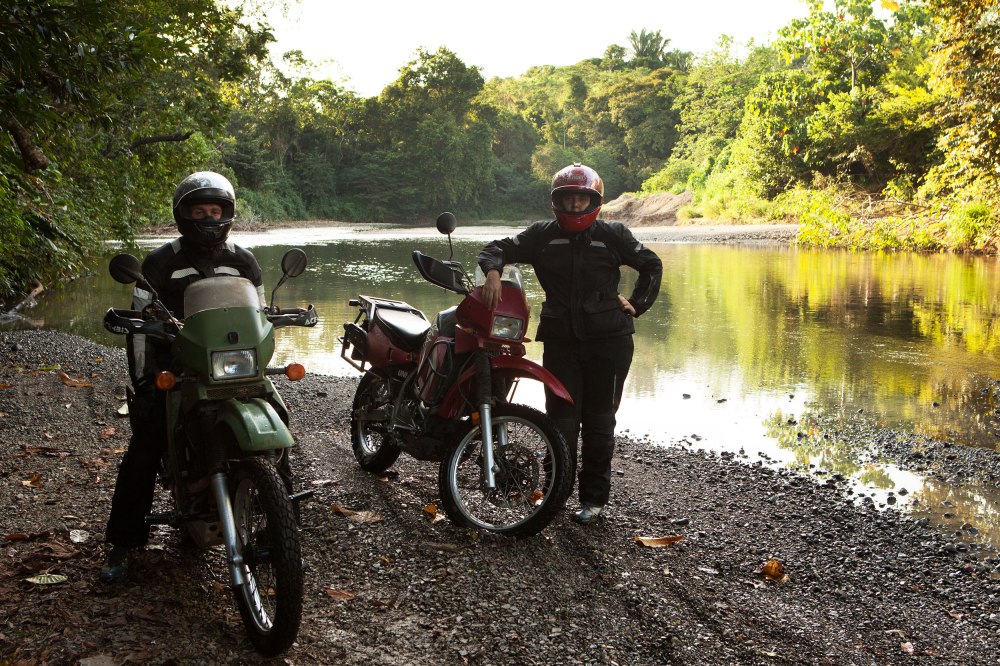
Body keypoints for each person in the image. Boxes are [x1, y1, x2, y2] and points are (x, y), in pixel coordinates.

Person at [100, 171, 264, 583]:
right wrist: (145, 382)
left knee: (274, 422)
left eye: (215, 211)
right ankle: (123, 543)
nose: (208, 218)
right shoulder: (160, 263)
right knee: (145, 446)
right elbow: (139, 328)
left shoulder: (243, 261)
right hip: (176, 367)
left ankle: (280, 519)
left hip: (231, 365)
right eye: (199, 211)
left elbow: (260, 320)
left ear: (227, 214)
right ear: (183, 215)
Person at [478, 163, 662, 525]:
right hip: (561, 342)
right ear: (556, 201)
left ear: (595, 201)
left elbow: (651, 265)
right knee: (560, 422)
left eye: (582, 198)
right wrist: (494, 273)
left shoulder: (613, 235)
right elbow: (495, 248)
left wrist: (637, 304)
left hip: (610, 343)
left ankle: (593, 500)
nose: (575, 205)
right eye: (568, 198)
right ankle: (555, 493)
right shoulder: (542, 236)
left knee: (599, 424)